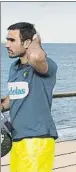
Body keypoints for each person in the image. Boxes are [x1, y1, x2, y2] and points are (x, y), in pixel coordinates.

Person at [0, 22, 58, 171]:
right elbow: (14, 96)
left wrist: (36, 41)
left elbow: (36, 57)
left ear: (27, 43)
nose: (6, 44)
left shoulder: (45, 65)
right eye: (7, 40)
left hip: (37, 139)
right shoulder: (14, 68)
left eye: (12, 40)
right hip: (17, 138)